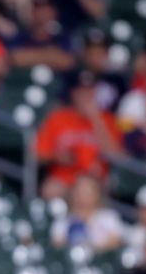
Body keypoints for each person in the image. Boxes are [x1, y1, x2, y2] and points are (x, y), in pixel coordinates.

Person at [35, 71, 121, 199]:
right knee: (50, 189)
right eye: (81, 92)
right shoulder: (58, 117)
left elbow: (115, 155)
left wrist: (96, 120)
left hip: (95, 181)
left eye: (89, 92)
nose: (85, 97)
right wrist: (56, 156)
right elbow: (38, 154)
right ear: (73, 93)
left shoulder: (107, 120)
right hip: (64, 179)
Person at [50, 175, 123, 252]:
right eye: (79, 191)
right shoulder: (63, 220)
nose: (82, 195)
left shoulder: (109, 217)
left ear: (97, 194)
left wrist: (90, 249)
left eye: (87, 191)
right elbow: (57, 245)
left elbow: (115, 243)